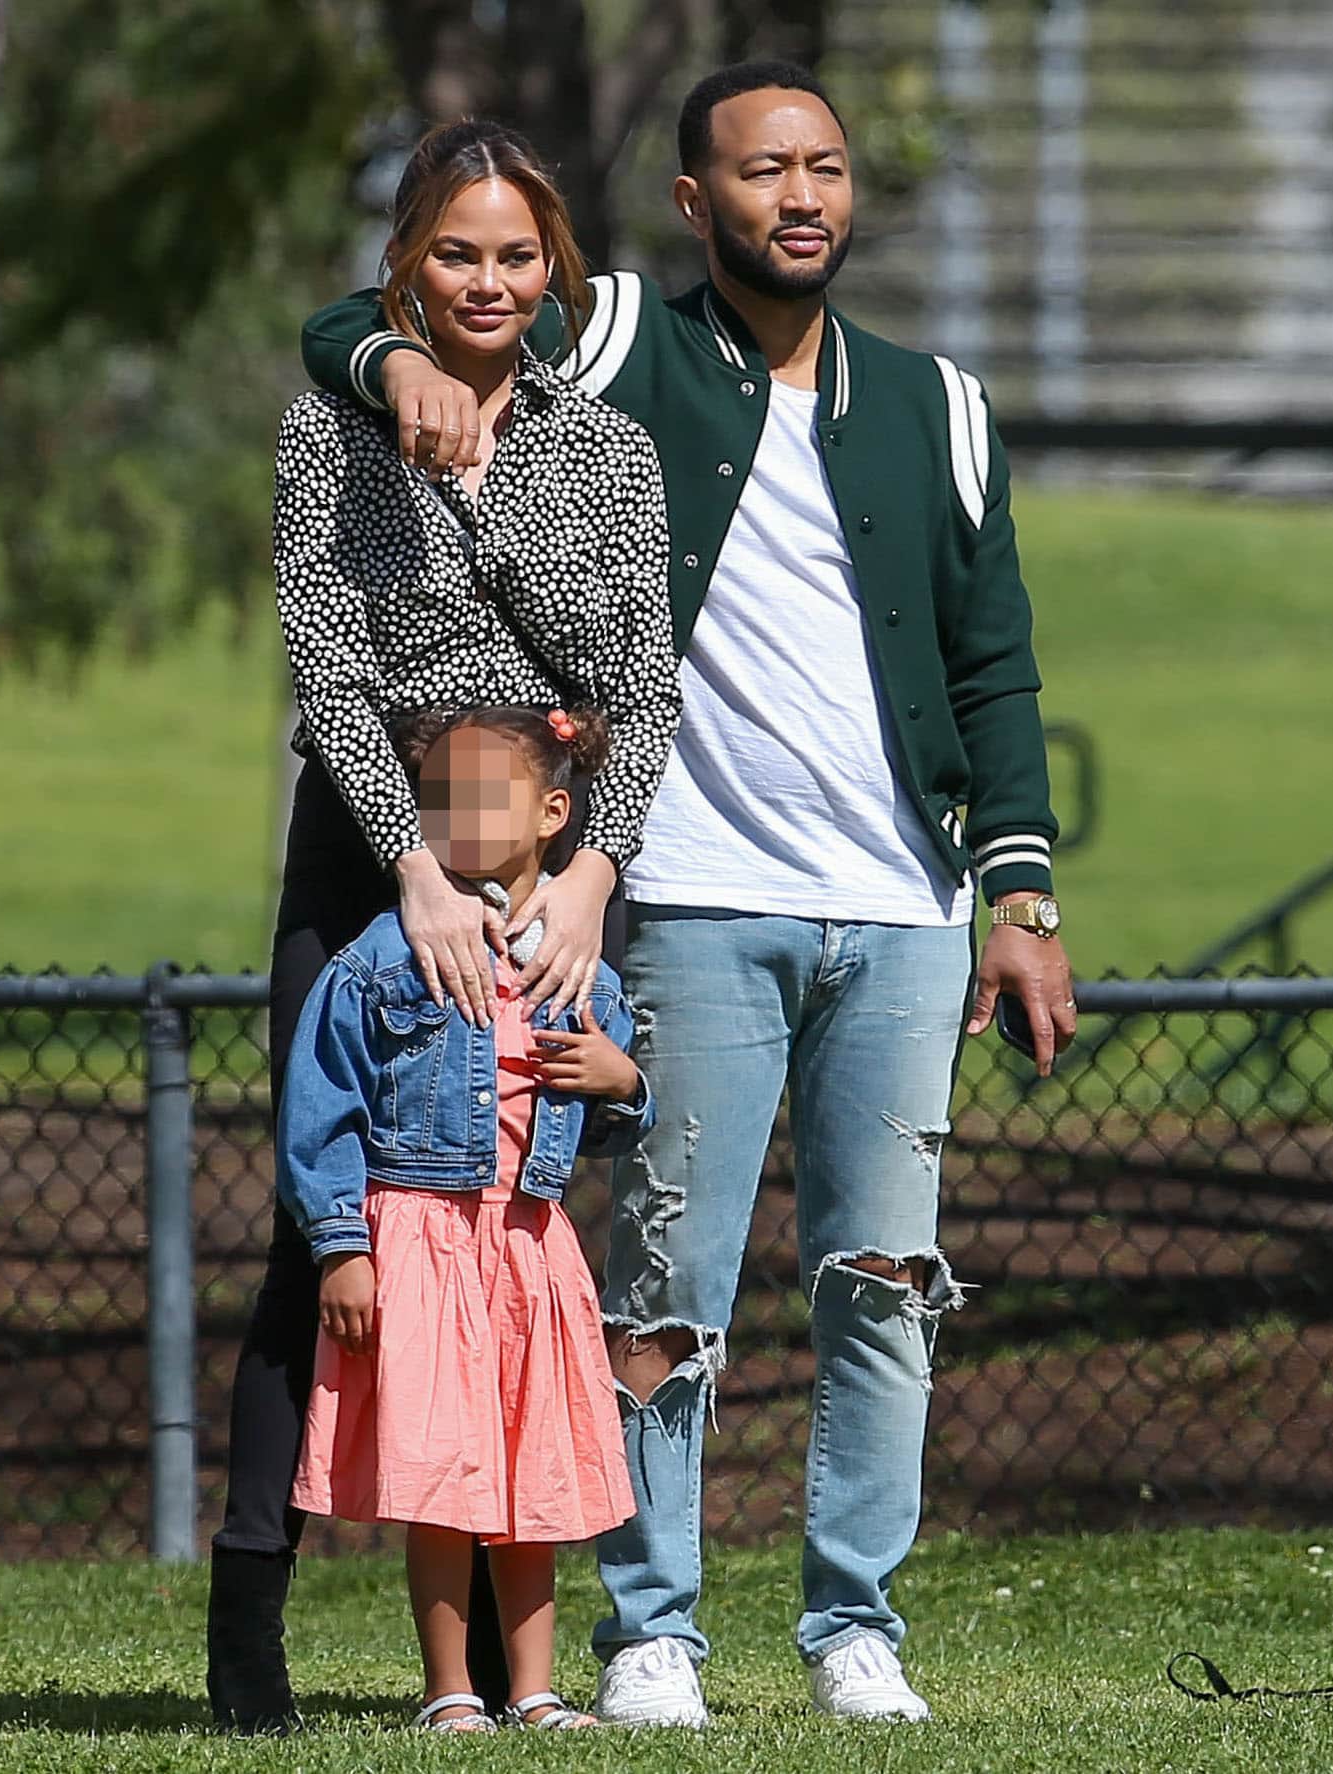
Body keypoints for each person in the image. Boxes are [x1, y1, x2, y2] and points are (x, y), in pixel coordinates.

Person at [302, 60, 1078, 1726]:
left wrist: (1017, 892)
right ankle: (651, 1624)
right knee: (669, 1286)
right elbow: (353, 328)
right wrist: (388, 364)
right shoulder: (622, 349)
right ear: (691, 201)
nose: (798, 197)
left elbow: (995, 662)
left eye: (823, 168)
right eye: (759, 172)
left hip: (901, 908)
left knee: (882, 1281)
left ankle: (851, 1619)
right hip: (696, 901)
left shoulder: (936, 404)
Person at [206, 120, 679, 1734]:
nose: (487, 282)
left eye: (516, 255)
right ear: (406, 263)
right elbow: (329, 668)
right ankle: (249, 1620)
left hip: (554, 861)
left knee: (509, 1221)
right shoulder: (325, 434)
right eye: (456, 253)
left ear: (555, 270)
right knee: (321, 1224)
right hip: (368, 857)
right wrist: (407, 861)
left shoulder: (606, 450)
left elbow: (640, 683)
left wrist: (588, 876)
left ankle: (490, 1666)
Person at [277, 706, 652, 1733]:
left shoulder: (582, 971)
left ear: (553, 812)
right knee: (439, 1473)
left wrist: (622, 1081)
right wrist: (341, 1246)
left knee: (531, 1472)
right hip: (420, 1240)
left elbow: (616, 1116)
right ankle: (450, 1690)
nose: (458, 814)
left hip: (531, 1247)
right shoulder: (380, 958)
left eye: (484, 794)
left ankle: (533, 1688)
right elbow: (322, 1108)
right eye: (438, 796)